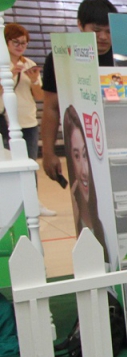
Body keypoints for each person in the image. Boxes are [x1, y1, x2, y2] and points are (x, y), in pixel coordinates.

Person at [40, 0, 118, 184]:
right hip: (84, 147)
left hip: (118, 143)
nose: (104, 37)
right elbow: (51, 107)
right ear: (80, 25)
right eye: (97, 30)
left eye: (109, 31)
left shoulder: (122, 56)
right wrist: (48, 152)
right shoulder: (61, 57)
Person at [2, 25, 52, 215]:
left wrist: (33, 80)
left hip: (28, 121)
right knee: (10, 164)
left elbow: (40, 96)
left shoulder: (29, 63)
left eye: (24, 43)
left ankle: (33, 203)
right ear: (6, 41)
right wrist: (10, 76)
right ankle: (12, 206)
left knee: (30, 163)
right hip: (6, 122)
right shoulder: (2, 64)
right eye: (16, 42)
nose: (20, 46)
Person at [63, 105, 108, 257]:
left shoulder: (101, 225)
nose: (84, 171)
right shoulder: (80, 224)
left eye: (85, 155)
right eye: (76, 156)